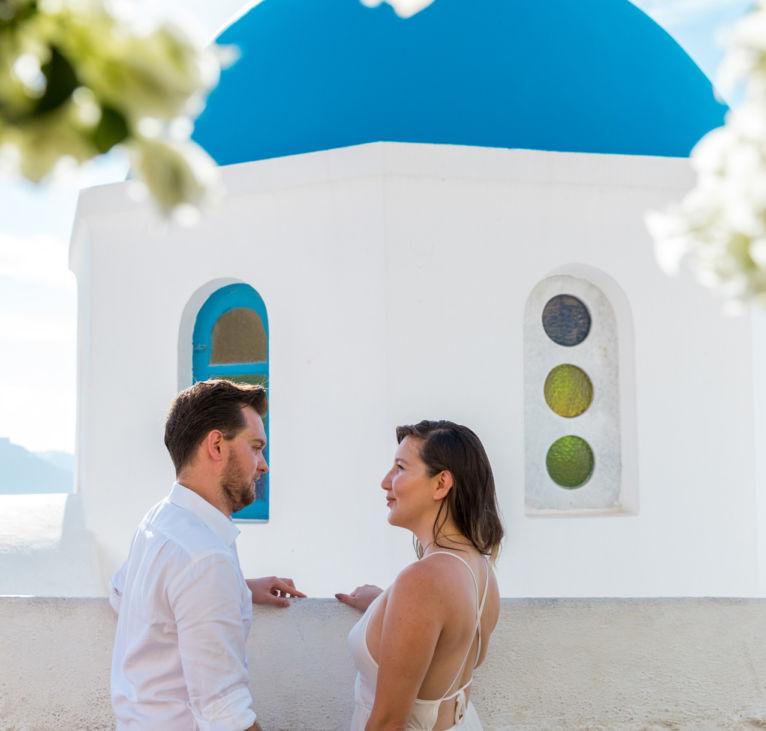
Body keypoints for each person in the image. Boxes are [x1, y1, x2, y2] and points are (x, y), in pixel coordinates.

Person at [109, 379, 305, 731]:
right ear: (216, 445)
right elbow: (223, 711)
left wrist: (237, 587)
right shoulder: (205, 558)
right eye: (256, 447)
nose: (264, 465)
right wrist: (218, 584)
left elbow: (124, 592)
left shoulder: (160, 520)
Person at [336, 420, 504, 731]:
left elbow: (388, 723)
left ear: (441, 484)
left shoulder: (423, 582)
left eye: (400, 467)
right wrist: (381, 604)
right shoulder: (480, 571)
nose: (386, 482)